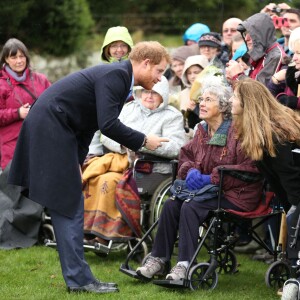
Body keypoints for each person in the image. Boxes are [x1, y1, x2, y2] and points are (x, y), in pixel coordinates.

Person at [7, 41, 171, 294]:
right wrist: (143, 140)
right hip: (51, 128)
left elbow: (88, 123)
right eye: (159, 71)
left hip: (58, 130)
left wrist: (77, 160)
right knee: (68, 205)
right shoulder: (117, 75)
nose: (160, 79)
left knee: (69, 205)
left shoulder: (119, 78)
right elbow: (108, 124)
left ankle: (80, 279)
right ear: (146, 63)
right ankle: (80, 280)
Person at [135, 78, 263, 281]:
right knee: (171, 204)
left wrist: (211, 178)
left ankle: (185, 264)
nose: (201, 103)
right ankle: (159, 259)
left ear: (222, 107)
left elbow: (250, 168)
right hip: (209, 192)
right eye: (201, 99)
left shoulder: (239, 131)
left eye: (208, 99)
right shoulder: (202, 130)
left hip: (238, 194)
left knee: (190, 206)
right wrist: (191, 171)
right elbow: (187, 155)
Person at [83, 76, 186, 243]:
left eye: (154, 93)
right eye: (145, 91)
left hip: (150, 170)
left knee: (108, 181)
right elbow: (106, 135)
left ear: (163, 95)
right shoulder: (129, 109)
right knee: (94, 178)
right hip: (122, 162)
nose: (149, 96)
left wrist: (142, 144)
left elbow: (176, 147)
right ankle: (89, 230)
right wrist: (125, 145)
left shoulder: (172, 116)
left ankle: (105, 233)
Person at [230, 78, 300, 298]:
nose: (231, 100)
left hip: (297, 189)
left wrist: (294, 207)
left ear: (247, 102)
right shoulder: (260, 132)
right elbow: (278, 179)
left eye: (235, 97)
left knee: (295, 222)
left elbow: (291, 176)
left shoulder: (275, 135)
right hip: (293, 190)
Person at [0, 38, 51, 171]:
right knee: (14, 190)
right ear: (6, 59)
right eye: (14, 57)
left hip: (41, 141)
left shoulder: (41, 79)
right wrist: (17, 113)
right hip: (12, 148)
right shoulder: (1, 85)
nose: (19, 61)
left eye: (21, 56)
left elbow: (54, 104)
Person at [87, 26, 134, 160]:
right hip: (105, 129)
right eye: (114, 46)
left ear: (130, 48)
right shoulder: (99, 70)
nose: (119, 50)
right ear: (107, 48)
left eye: (123, 45)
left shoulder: (135, 70)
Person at [226, 13, 285, 86]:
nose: (246, 38)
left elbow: (260, 92)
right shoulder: (260, 54)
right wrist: (232, 79)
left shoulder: (275, 56)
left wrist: (237, 75)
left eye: (251, 33)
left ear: (263, 34)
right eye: (246, 33)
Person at [267, 27, 300, 111]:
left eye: (299, 53)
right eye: (294, 53)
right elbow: (269, 99)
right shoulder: (292, 73)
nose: (294, 58)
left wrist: (291, 102)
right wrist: (275, 81)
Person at [178, 55, 209, 133]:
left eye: (196, 72)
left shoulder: (212, 92)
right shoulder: (183, 93)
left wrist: (196, 109)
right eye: (189, 73)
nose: (192, 76)